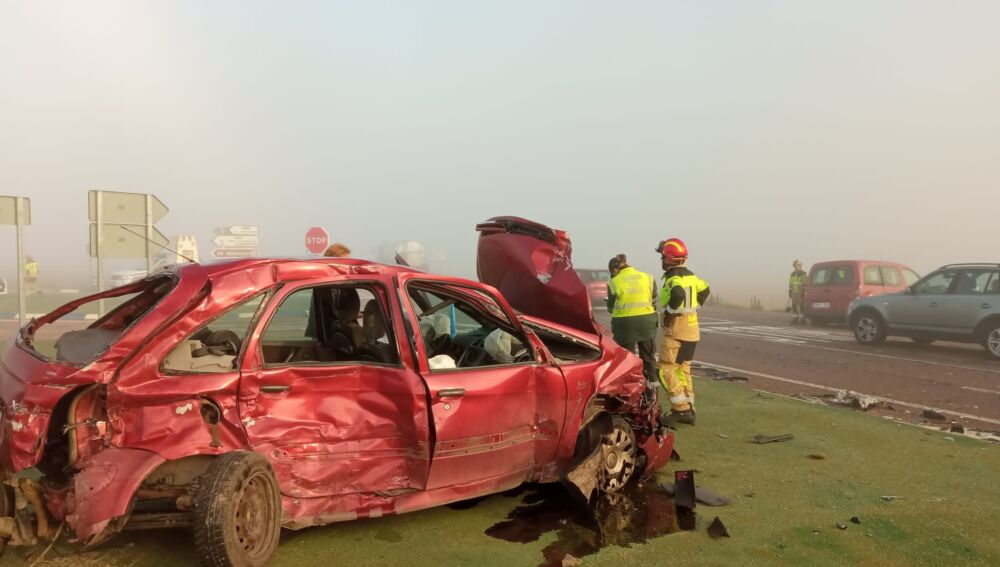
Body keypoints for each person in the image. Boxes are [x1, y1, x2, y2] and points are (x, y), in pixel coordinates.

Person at [656, 238, 710, 427]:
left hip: (677, 330)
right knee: (683, 369)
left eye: (663, 257)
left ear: (669, 259)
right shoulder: (692, 277)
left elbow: (678, 294)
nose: (661, 260)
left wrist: (671, 312)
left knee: (665, 369)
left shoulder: (673, 278)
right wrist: (694, 307)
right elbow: (705, 289)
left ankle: (681, 409)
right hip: (692, 329)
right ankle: (689, 409)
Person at [605, 254, 658, 382]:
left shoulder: (614, 282)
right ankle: (652, 388)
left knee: (627, 359)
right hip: (647, 322)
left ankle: (630, 387)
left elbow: (611, 307)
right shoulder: (647, 277)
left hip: (625, 325)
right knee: (649, 358)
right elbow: (654, 298)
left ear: (615, 269)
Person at [788, 259, 807, 324]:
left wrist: (804, 291)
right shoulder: (792, 274)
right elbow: (791, 283)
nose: (797, 266)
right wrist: (790, 291)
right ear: (794, 266)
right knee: (794, 305)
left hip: (800, 291)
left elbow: (805, 283)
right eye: (796, 265)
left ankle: (803, 319)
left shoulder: (803, 273)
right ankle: (795, 318)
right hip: (794, 292)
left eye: (798, 265)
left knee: (801, 305)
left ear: (800, 265)